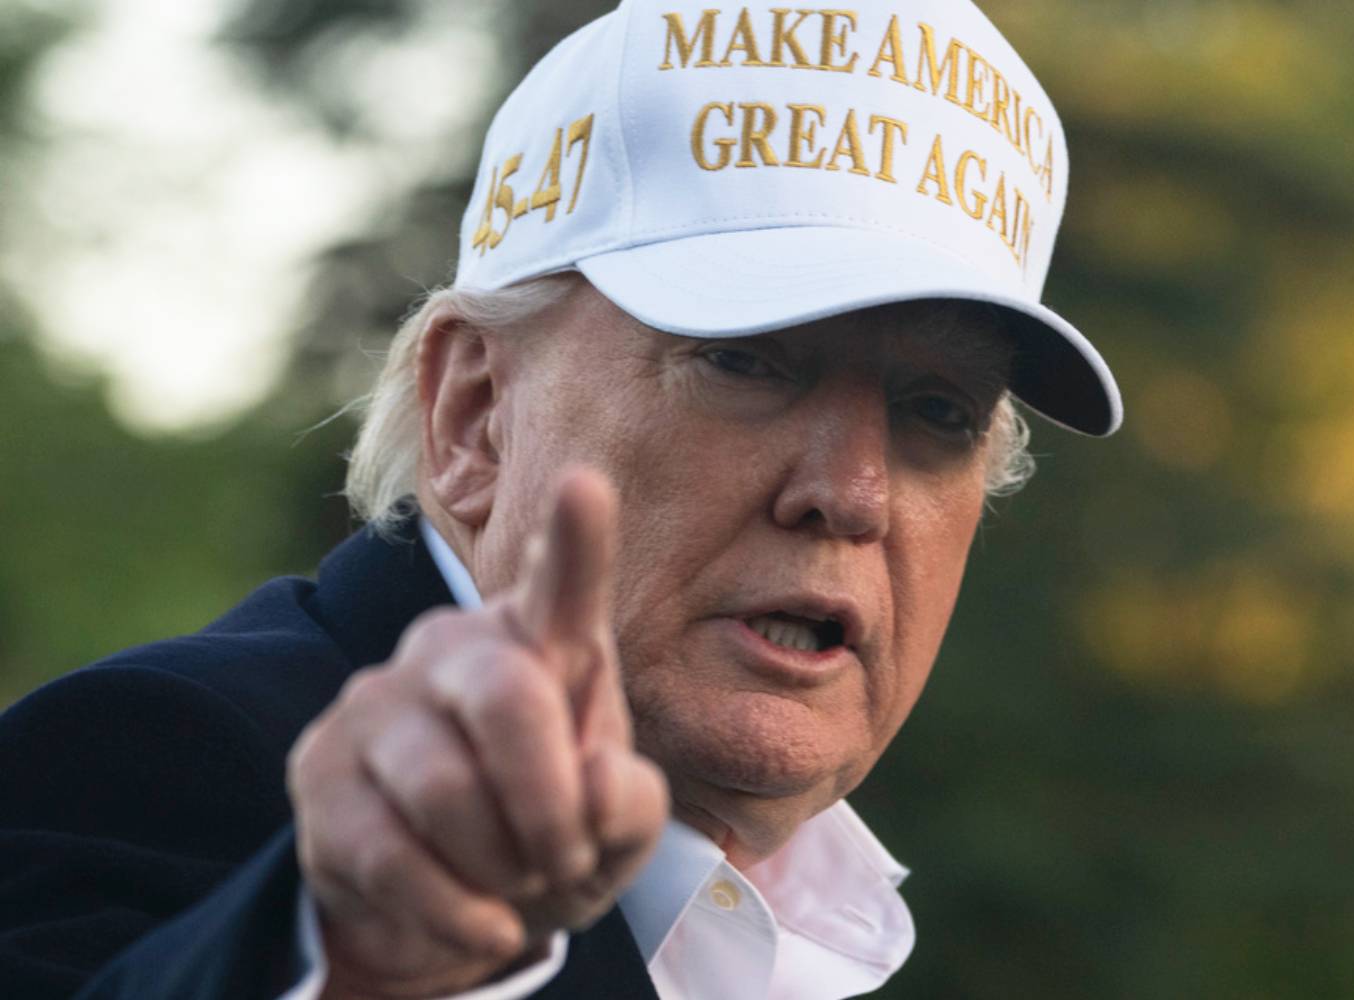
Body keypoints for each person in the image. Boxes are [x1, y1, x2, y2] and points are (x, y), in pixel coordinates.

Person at [0, 0, 1121, 997]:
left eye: (940, 412)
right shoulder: (162, 763)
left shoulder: (789, 925)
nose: (852, 492)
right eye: (746, 359)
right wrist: (351, 964)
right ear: (474, 413)